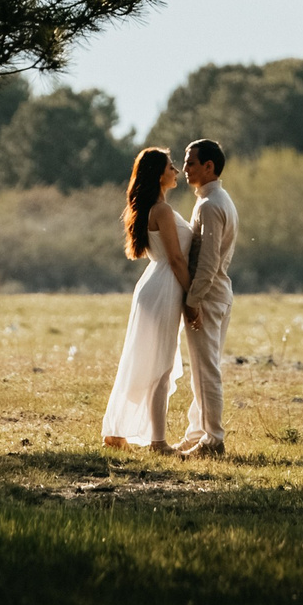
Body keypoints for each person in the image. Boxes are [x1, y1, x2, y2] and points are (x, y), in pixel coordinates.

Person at [100, 146, 191, 452]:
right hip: (165, 284)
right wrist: (194, 296)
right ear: (158, 174)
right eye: (170, 166)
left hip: (155, 283)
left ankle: (119, 432)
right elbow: (177, 258)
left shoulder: (152, 208)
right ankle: (158, 441)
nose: (175, 171)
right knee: (160, 365)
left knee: (148, 362)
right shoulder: (162, 211)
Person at [173, 138, 236, 459]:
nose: (184, 169)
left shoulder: (211, 205)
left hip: (208, 297)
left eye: (190, 163)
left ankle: (213, 440)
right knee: (201, 367)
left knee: (205, 369)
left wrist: (193, 299)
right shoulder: (217, 199)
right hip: (217, 294)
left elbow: (209, 261)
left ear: (209, 167)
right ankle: (197, 433)